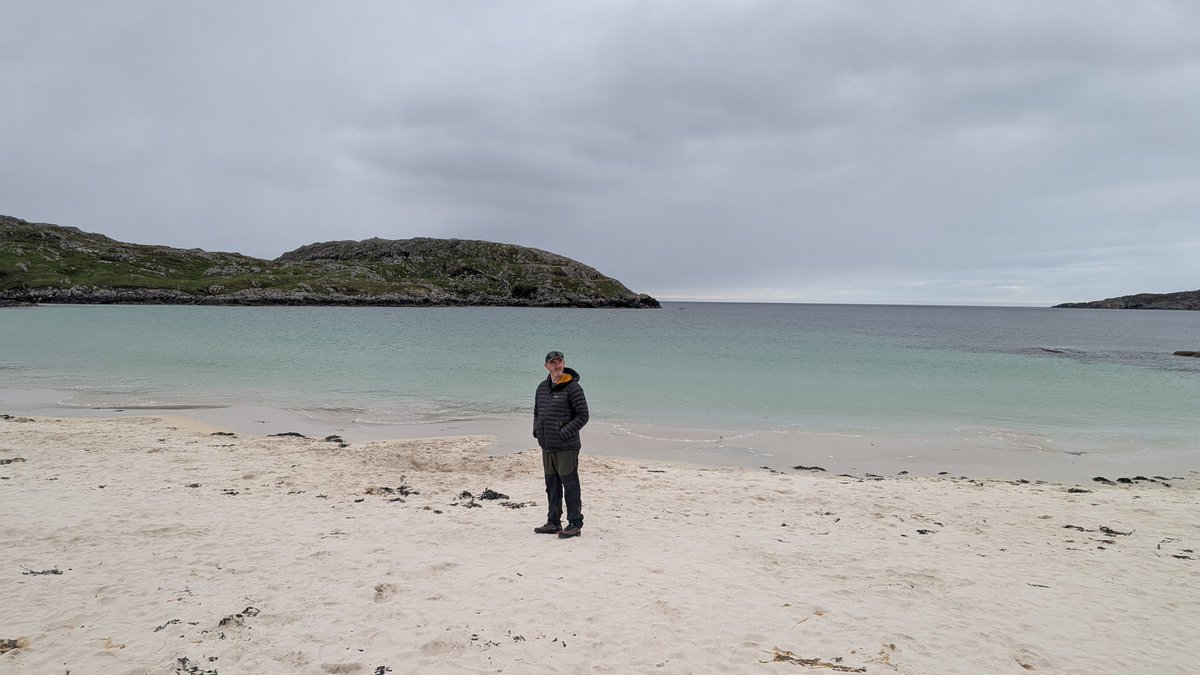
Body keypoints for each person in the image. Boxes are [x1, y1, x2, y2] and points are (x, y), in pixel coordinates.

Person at [532, 350, 589, 538]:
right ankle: (553, 522)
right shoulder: (542, 388)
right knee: (552, 485)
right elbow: (537, 412)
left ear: (563, 363)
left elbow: (583, 416)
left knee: (570, 485)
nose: (557, 365)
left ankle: (575, 523)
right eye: (553, 362)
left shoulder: (573, 388)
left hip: (566, 447)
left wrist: (563, 432)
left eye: (559, 362)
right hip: (547, 446)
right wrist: (537, 431)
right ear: (546, 366)